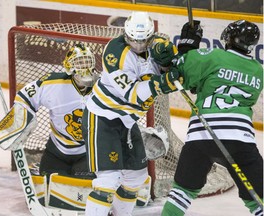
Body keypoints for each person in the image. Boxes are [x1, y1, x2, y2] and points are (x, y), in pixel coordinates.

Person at [81, 11, 202, 216]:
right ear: (126, 35)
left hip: (128, 122)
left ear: (150, 36)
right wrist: (164, 81)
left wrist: (184, 49)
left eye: (143, 40)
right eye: (133, 40)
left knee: (136, 178)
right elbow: (134, 94)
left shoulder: (158, 45)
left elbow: (177, 72)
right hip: (103, 118)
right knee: (108, 181)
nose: (138, 45)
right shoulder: (115, 53)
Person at [161, 20, 263, 216]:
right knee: (257, 199)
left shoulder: (214, 56)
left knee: (181, 195)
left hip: (202, 136)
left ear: (229, 38)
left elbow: (179, 71)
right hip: (240, 140)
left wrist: (187, 45)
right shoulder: (259, 71)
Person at [15, 43, 98, 179]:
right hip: (56, 151)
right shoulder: (53, 83)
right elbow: (24, 97)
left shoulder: (102, 87)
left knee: (83, 190)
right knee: (49, 187)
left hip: (88, 153)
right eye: (79, 62)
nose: (85, 66)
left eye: (88, 62)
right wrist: (21, 121)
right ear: (69, 66)